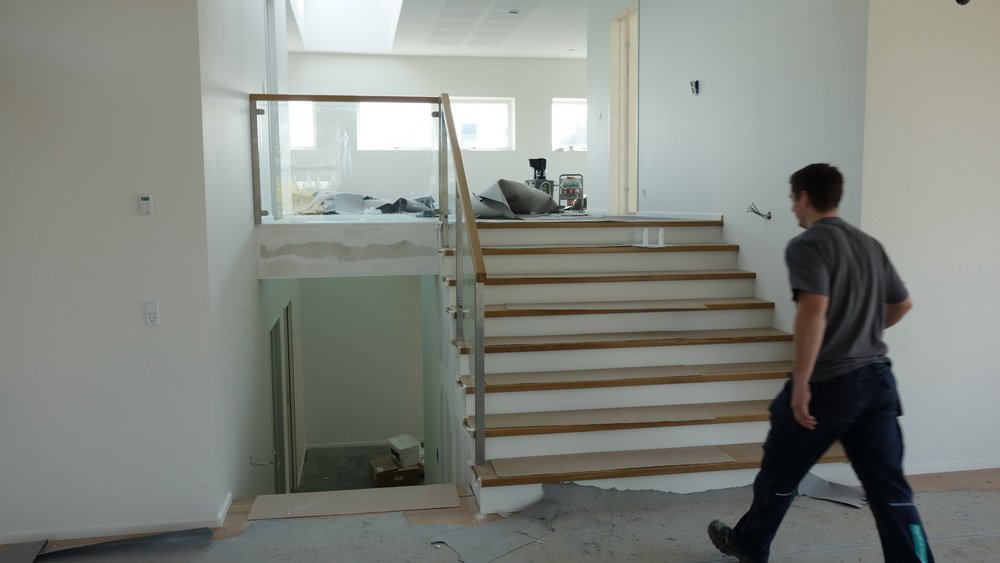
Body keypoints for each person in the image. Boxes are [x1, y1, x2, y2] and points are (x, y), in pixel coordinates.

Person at [707, 163, 933, 563]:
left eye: (793, 199)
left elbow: (813, 310)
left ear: (805, 197)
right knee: (892, 492)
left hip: (830, 384)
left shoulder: (808, 244)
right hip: (877, 382)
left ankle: (750, 546)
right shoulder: (868, 244)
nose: (792, 208)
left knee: (779, 476)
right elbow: (903, 304)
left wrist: (802, 383)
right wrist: (862, 331)